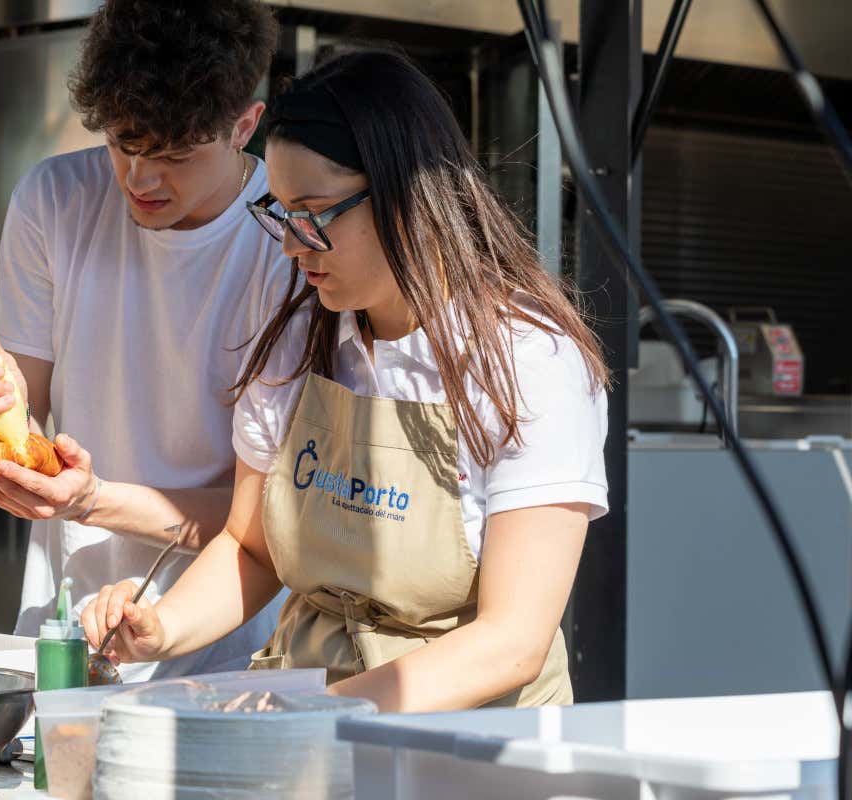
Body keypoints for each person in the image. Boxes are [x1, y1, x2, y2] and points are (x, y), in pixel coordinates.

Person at [81, 50, 611, 711]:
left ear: (404, 195)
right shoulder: (299, 334)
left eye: (313, 214)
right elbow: (251, 548)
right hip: (308, 715)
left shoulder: (526, 360)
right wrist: (162, 628)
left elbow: (511, 643)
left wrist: (317, 715)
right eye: (280, 213)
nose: (290, 245)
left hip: (472, 736)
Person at [0, 0, 290, 681]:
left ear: (245, 126)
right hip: (65, 630)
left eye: (176, 155)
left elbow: (273, 521)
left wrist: (92, 500)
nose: (140, 179)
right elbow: (20, 419)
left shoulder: (290, 237)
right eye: (124, 145)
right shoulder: (55, 199)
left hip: (230, 647)